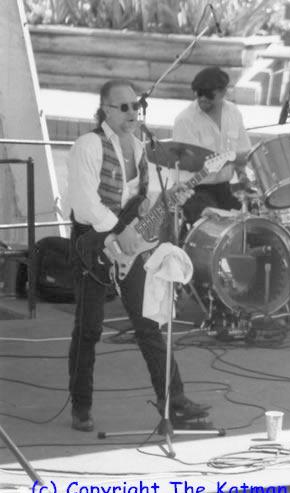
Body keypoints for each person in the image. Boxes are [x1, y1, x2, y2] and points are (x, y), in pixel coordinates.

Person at [67, 79, 210, 432]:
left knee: (149, 325)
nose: (133, 112)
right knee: (89, 329)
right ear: (105, 110)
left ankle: (174, 401)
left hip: (129, 247)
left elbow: (141, 204)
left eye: (136, 106)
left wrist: (168, 201)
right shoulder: (89, 145)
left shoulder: (141, 147)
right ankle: (81, 406)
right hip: (93, 244)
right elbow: (84, 203)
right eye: (124, 107)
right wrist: (119, 230)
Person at [172, 66, 253, 225]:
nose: (202, 98)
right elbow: (193, 164)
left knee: (248, 222)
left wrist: (242, 175)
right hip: (194, 190)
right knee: (214, 224)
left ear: (223, 92)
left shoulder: (233, 112)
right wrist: (228, 158)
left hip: (224, 187)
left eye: (209, 94)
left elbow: (244, 152)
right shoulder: (185, 120)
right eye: (199, 93)